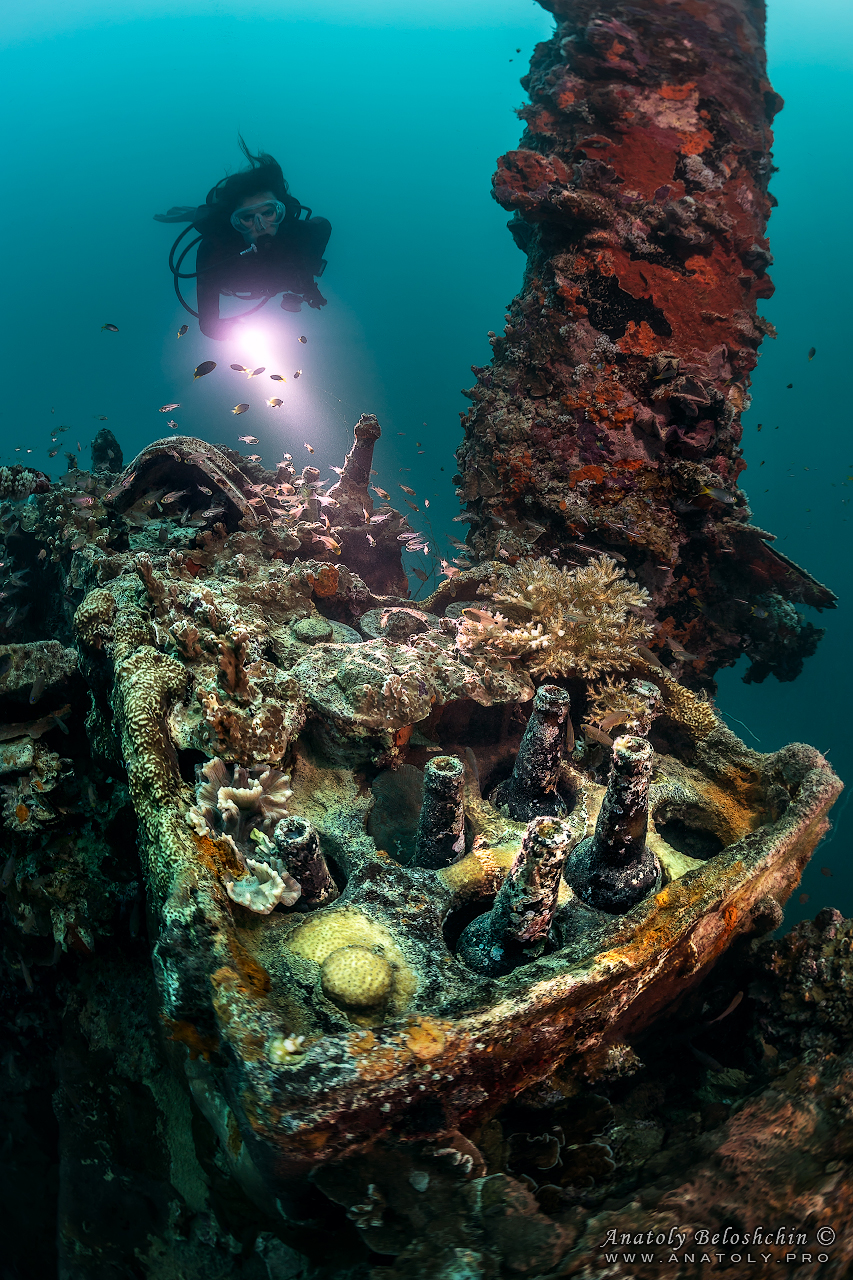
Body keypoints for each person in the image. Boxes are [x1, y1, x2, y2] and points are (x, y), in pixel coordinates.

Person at [155, 139, 331, 340]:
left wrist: (309, 270)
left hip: (273, 279)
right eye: (247, 217)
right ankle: (194, 213)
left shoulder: (301, 234)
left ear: (281, 211)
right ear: (235, 222)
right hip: (237, 283)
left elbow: (324, 225)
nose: (261, 225)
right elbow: (208, 323)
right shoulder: (215, 249)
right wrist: (230, 332)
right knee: (205, 218)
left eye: (268, 212)